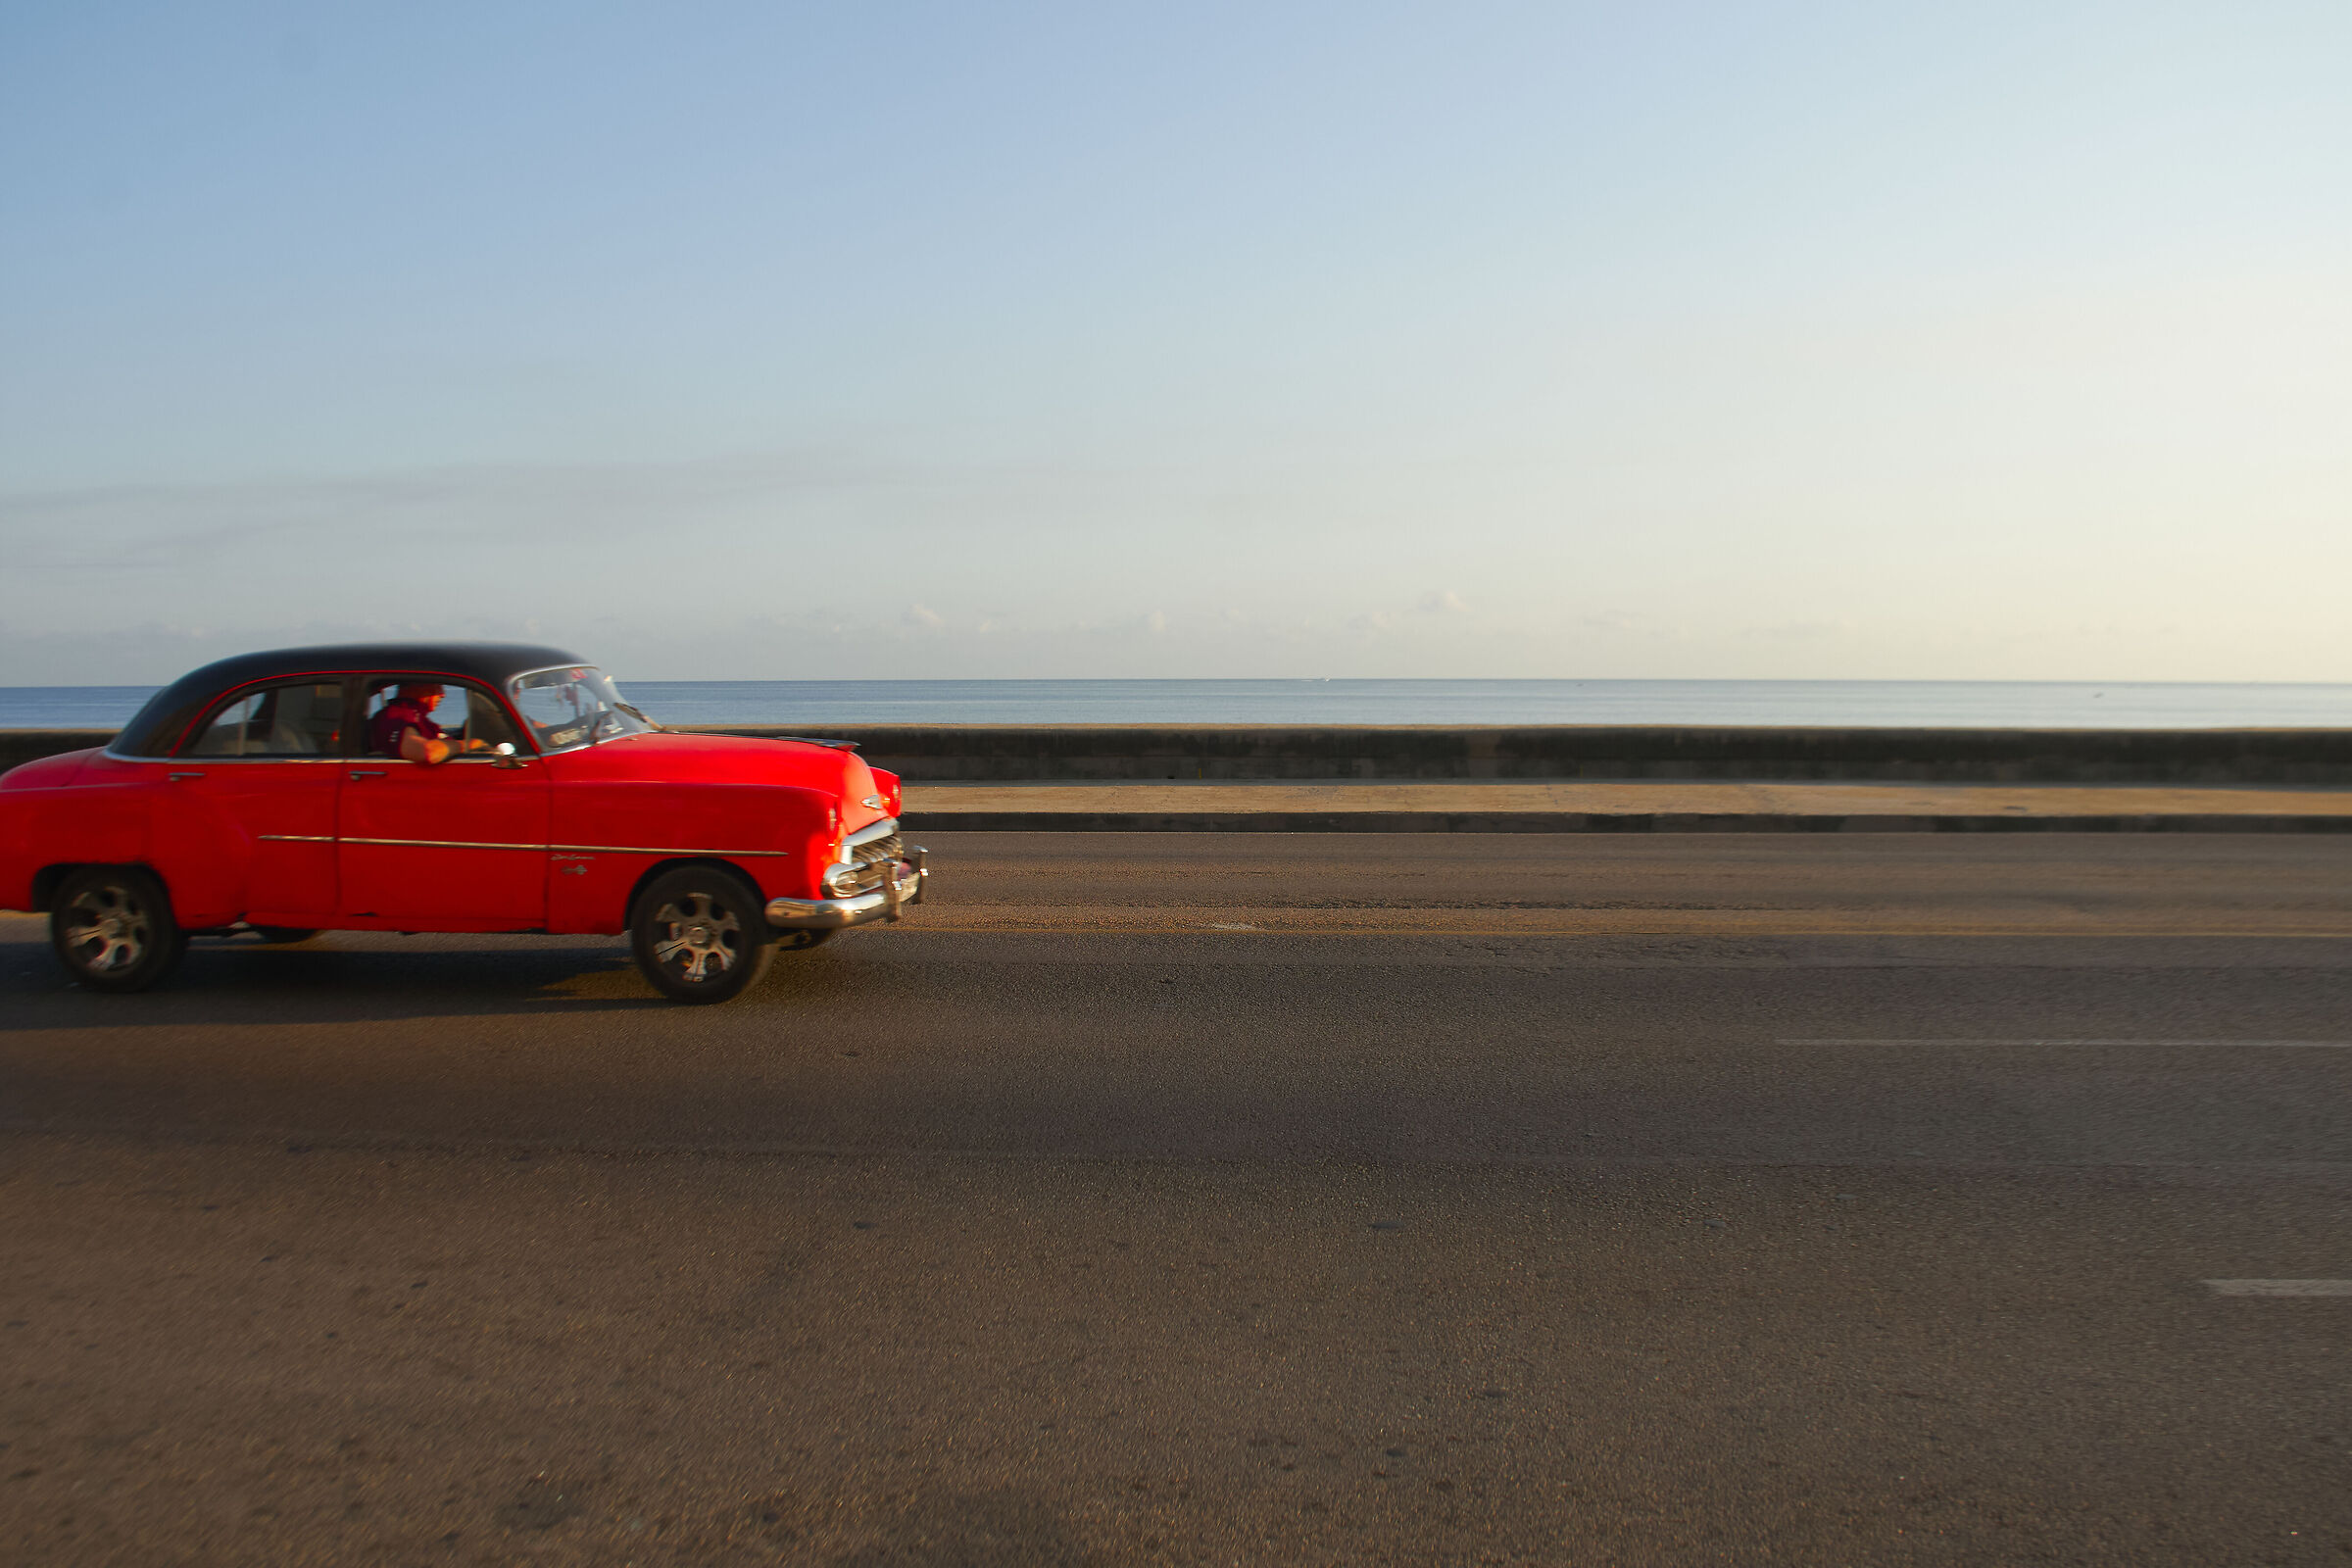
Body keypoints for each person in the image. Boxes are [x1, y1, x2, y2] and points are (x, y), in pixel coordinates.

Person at [367, 681, 482, 764]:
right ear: (417, 685)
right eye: (437, 685)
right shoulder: (397, 716)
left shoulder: (419, 718)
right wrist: (469, 745)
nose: (443, 694)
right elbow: (428, 752)